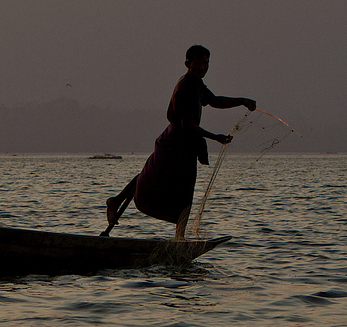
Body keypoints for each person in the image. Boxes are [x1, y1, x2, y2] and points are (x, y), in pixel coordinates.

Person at [105, 44, 256, 240]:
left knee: (178, 189)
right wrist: (215, 137)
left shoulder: (197, 84)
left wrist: (242, 100)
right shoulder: (184, 87)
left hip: (186, 147)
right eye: (198, 63)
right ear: (187, 64)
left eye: (206, 63)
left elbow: (215, 100)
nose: (203, 67)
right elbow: (186, 125)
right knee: (155, 180)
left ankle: (176, 235)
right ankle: (118, 203)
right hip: (173, 144)